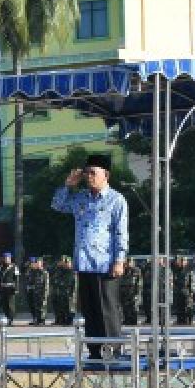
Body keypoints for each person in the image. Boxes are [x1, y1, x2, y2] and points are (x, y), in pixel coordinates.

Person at [51, 153, 128, 359]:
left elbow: (121, 232)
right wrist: (68, 184)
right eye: (87, 173)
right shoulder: (80, 198)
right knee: (90, 310)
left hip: (106, 264)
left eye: (93, 173)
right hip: (84, 263)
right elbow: (57, 205)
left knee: (107, 309)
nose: (89, 177)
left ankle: (113, 349)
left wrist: (120, 259)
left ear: (106, 175)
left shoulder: (116, 200)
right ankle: (95, 350)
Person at [50, 256, 76, 326]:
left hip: (69, 293)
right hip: (61, 292)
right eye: (64, 263)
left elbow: (74, 285)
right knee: (62, 307)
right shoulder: (61, 271)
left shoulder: (73, 272)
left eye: (66, 263)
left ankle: (69, 322)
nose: (64, 264)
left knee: (70, 308)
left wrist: (72, 294)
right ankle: (62, 320)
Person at [0, 253, 18, 324]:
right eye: (5, 258)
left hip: (11, 288)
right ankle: (7, 317)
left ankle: (10, 319)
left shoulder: (14, 267)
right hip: (3, 288)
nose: (6, 260)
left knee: (10, 305)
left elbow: (16, 279)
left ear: (10, 259)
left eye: (7, 258)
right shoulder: (1, 267)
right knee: (4, 305)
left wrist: (16, 288)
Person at [25, 257, 49, 326]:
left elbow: (46, 284)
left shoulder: (44, 273)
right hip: (36, 292)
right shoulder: (35, 272)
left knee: (42, 307)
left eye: (38, 263)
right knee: (37, 307)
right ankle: (38, 320)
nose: (37, 264)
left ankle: (42, 320)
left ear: (41, 264)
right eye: (36, 263)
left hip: (42, 292)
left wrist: (45, 294)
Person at [172, 256, 194, 326]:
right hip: (178, 291)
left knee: (188, 307)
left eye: (184, 260)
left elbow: (192, 282)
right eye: (181, 261)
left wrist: (191, 293)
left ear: (186, 262)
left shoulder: (189, 271)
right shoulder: (176, 270)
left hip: (186, 290)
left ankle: (189, 321)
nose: (182, 262)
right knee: (179, 307)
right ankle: (180, 320)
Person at [119, 260, 142, 326]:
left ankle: (134, 321)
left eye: (130, 262)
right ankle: (127, 320)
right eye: (127, 262)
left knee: (134, 308)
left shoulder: (136, 270)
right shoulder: (124, 270)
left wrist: (137, 293)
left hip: (133, 292)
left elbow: (139, 283)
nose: (128, 264)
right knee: (125, 307)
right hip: (124, 292)